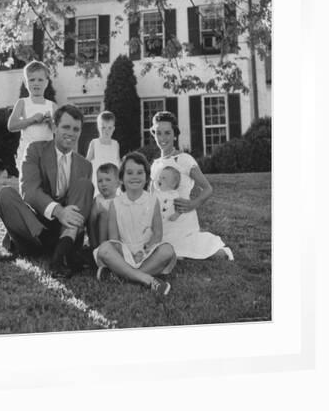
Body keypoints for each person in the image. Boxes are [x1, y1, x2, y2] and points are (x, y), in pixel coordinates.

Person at [0, 104, 94, 278]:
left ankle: (61, 252)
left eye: (76, 129)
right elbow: (29, 190)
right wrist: (59, 211)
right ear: (54, 127)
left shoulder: (85, 165)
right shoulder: (35, 150)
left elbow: (82, 200)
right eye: (66, 127)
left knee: (85, 185)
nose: (71, 133)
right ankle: (48, 244)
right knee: (5, 195)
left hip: (64, 230)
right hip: (34, 227)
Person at [149, 111, 234, 260]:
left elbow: (208, 188)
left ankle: (217, 251)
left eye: (167, 133)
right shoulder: (155, 165)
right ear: (154, 134)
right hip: (160, 221)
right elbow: (151, 195)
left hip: (181, 221)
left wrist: (193, 204)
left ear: (175, 134)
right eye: (158, 133)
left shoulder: (184, 160)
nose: (162, 138)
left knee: (187, 251)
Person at [94, 152, 176, 296]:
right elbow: (114, 238)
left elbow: (157, 233)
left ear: (146, 177)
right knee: (104, 249)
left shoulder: (152, 201)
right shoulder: (115, 203)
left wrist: (143, 252)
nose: (135, 177)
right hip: (122, 252)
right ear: (121, 178)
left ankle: (121, 275)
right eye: (129, 173)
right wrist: (127, 254)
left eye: (140, 172)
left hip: (146, 253)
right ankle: (147, 279)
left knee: (167, 250)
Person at [8, 61, 56, 174]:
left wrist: (50, 122)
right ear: (26, 83)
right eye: (32, 80)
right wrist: (31, 120)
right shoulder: (22, 103)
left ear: (46, 83)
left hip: (47, 154)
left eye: (40, 80)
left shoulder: (52, 106)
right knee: (28, 183)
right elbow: (11, 126)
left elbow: (57, 131)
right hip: (27, 153)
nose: (36, 83)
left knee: (45, 184)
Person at [86, 111, 121, 195]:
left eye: (109, 128)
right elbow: (86, 164)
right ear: (98, 128)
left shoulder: (115, 144)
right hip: (98, 184)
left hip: (112, 184)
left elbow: (118, 164)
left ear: (113, 129)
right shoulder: (94, 143)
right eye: (103, 128)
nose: (106, 131)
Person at [87, 162, 119, 249]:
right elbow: (91, 223)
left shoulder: (120, 201)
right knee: (104, 214)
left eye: (108, 180)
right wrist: (93, 244)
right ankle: (100, 250)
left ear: (118, 183)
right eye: (100, 181)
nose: (103, 184)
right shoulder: (98, 200)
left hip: (116, 239)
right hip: (100, 240)